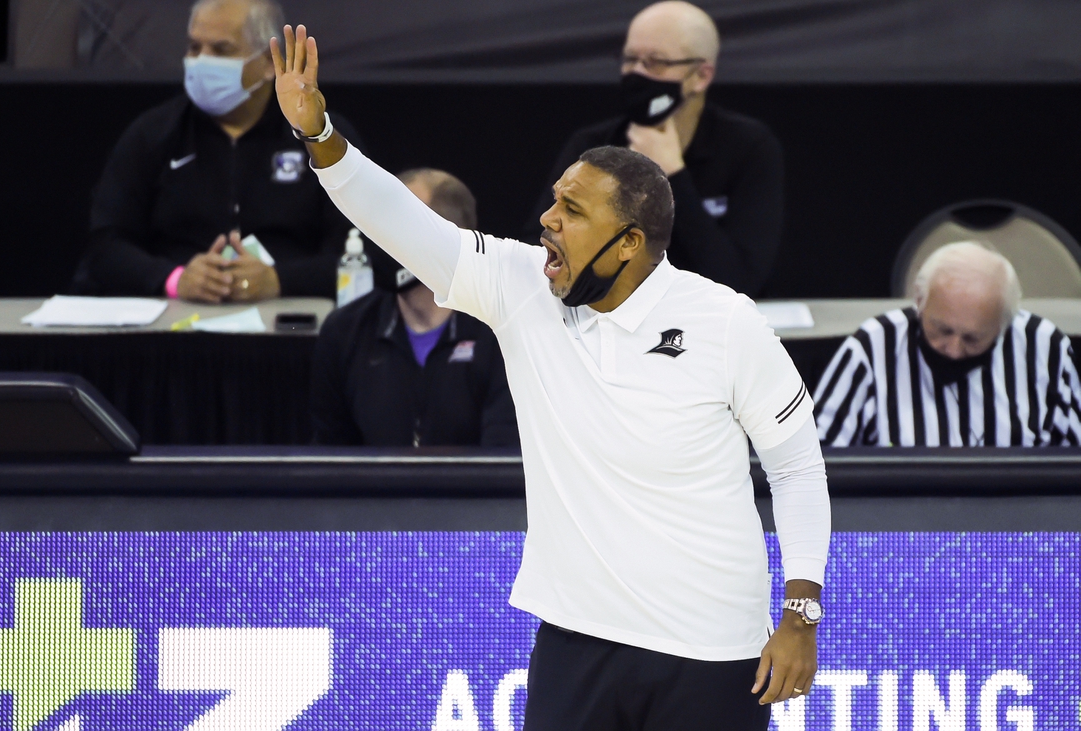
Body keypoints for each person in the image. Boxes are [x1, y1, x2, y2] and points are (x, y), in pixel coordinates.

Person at [272, 25, 829, 729]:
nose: (546, 220)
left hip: (713, 648)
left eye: (572, 210)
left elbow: (798, 469)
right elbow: (403, 222)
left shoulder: (725, 320)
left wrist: (801, 612)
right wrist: (320, 134)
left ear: (629, 243)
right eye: (554, 199)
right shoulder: (521, 288)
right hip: (576, 639)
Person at [80, 0, 367, 302]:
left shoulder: (320, 139)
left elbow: (365, 252)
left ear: (272, 63)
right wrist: (173, 279)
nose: (202, 61)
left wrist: (280, 279)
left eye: (221, 50)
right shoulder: (153, 134)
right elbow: (105, 247)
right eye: (194, 48)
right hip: (176, 323)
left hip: (292, 323)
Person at [523, 1, 783, 298]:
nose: (637, 74)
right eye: (630, 59)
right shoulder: (592, 146)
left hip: (704, 320)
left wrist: (672, 176)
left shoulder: (748, 147)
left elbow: (738, 279)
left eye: (655, 62)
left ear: (700, 76)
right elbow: (538, 248)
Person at [310, 169, 519, 448]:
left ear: (445, 238)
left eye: (395, 224)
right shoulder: (345, 331)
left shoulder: (500, 333)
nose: (377, 237)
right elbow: (330, 461)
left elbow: (502, 464)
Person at [814, 241, 1081, 446]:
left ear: (1003, 325)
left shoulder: (1046, 349)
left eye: (972, 339)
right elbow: (816, 459)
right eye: (942, 330)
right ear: (919, 302)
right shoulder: (873, 346)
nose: (953, 350)